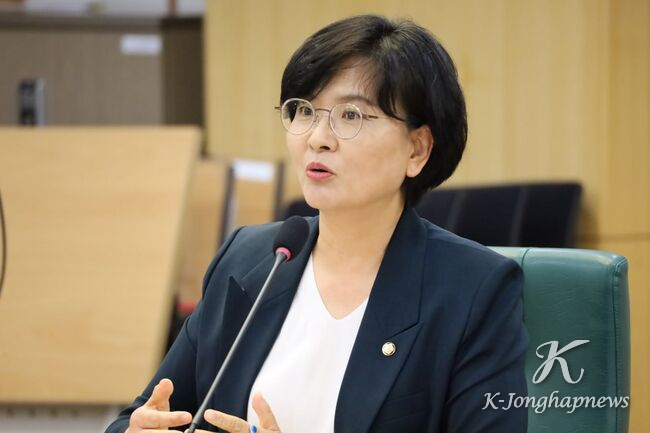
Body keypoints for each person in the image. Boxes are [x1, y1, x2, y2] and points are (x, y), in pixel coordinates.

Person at [105, 14, 527, 433]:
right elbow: (140, 416)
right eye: (303, 111)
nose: (317, 138)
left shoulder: (473, 289)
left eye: (351, 116)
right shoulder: (248, 260)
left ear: (417, 150)